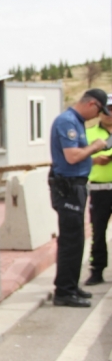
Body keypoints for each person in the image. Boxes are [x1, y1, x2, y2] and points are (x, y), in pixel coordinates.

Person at [49, 88, 110, 308]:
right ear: (92, 104)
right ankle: (64, 291)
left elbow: (77, 159)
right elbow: (72, 156)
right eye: (99, 111)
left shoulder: (76, 121)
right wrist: (95, 147)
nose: (98, 116)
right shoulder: (67, 121)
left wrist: (92, 159)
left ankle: (71, 286)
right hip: (68, 188)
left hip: (77, 186)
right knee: (71, 240)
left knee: (76, 240)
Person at [85, 93, 112, 286]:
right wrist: (94, 159)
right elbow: (76, 156)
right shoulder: (88, 133)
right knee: (98, 232)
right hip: (99, 190)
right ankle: (97, 270)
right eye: (108, 110)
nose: (110, 114)